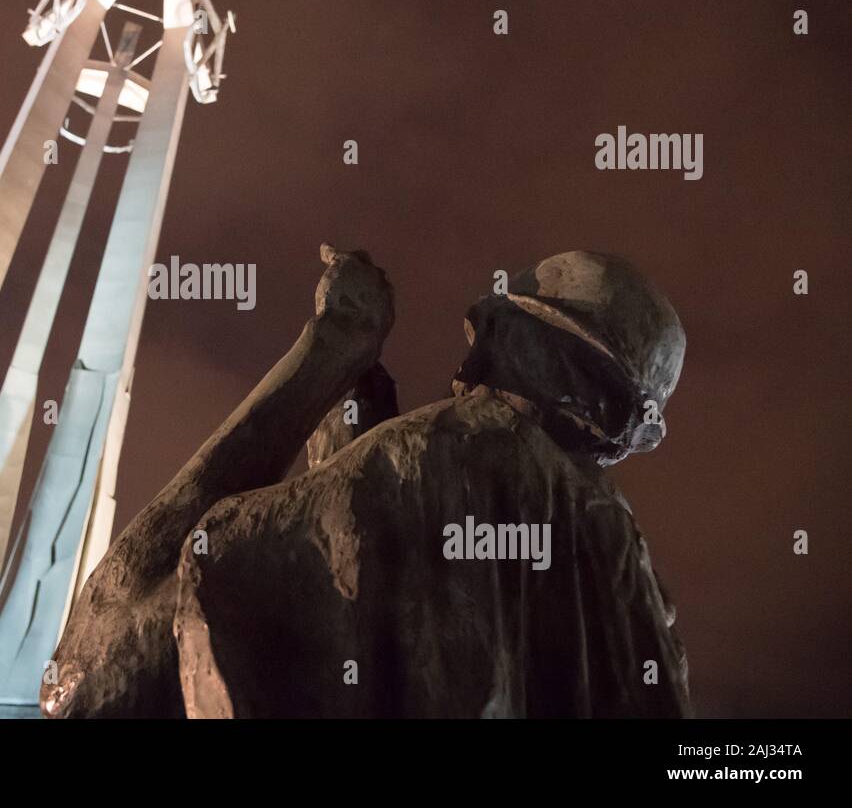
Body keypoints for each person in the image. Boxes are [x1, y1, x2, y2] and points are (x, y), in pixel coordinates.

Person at [44, 246, 690, 717]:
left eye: (484, 326)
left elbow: (97, 670)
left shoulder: (436, 451)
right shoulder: (627, 570)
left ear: (512, 334)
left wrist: (327, 354)